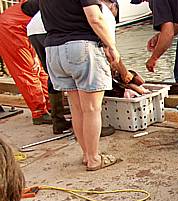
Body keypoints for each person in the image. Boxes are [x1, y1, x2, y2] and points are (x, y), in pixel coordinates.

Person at [40, 0, 123, 171]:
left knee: (76, 108)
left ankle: (87, 154)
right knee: (91, 109)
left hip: (54, 50)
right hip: (81, 47)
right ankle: (94, 159)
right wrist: (111, 45)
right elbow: (95, 18)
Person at [0, 1, 51, 125]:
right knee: (27, 70)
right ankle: (39, 113)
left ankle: (51, 106)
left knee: (41, 68)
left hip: (24, 25)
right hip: (11, 27)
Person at [26, 0, 73, 134]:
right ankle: (85, 124)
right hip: (48, 27)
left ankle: (58, 121)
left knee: (53, 73)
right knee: (74, 73)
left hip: (34, 28)